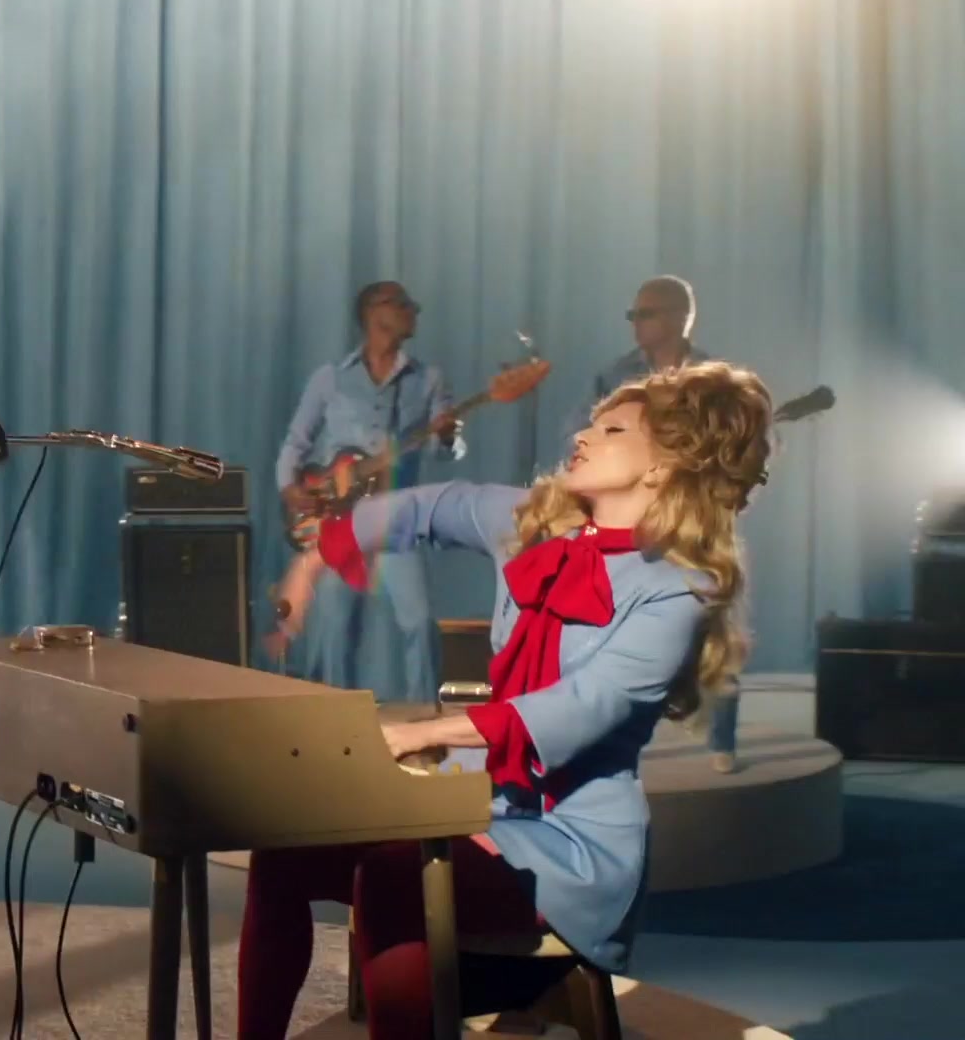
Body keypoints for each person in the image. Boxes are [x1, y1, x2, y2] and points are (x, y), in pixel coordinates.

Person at [244, 361, 774, 1039]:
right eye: (592, 424)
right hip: (479, 804)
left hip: (570, 846)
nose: (583, 435)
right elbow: (428, 507)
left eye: (612, 430)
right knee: (284, 852)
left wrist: (420, 734)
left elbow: (581, 708)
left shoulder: (679, 589)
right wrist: (316, 558)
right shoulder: (534, 523)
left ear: (663, 465)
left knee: (394, 877)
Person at [566, 274, 738, 771]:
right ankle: (602, 736)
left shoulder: (713, 377)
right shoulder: (614, 376)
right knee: (607, 616)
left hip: (697, 512)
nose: (636, 323)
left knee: (714, 618)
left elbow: (740, 440)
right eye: (633, 315)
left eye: (646, 314)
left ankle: (721, 740)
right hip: (632, 514)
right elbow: (578, 431)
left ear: (682, 317)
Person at [274, 281, 461, 703]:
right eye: (405, 304)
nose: (414, 311)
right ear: (376, 313)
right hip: (339, 519)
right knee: (334, 627)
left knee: (419, 621)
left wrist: (449, 435)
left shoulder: (428, 379)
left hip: (398, 520)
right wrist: (290, 489)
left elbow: (447, 452)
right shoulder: (330, 378)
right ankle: (335, 717)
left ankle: (424, 717)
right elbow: (296, 442)